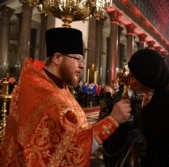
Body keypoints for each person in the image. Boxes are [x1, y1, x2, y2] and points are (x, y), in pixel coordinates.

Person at [0, 27, 131, 166]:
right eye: (77, 59)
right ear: (57, 58)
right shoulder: (45, 96)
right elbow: (69, 152)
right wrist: (113, 120)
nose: (82, 66)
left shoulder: (52, 84)